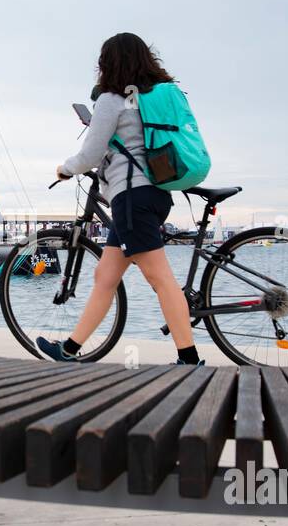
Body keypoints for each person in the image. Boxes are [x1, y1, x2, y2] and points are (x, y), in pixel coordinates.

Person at [38, 33, 203, 366]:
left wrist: (65, 169)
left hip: (132, 198)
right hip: (155, 193)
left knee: (160, 279)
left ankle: (189, 358)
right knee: (105, 277)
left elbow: (91, 153)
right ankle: (68, 350)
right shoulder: (146, 98)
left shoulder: (112, 100)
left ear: (109, 64)